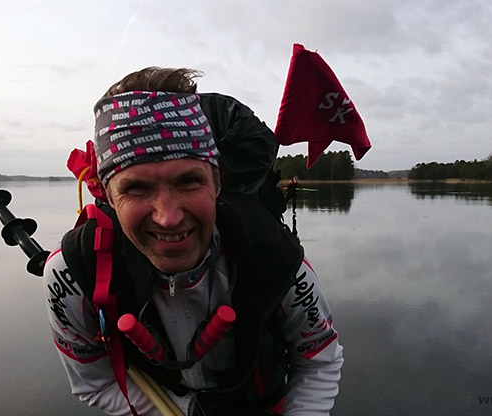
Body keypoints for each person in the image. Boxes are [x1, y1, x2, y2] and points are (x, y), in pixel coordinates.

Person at [43, 67, 343, 415]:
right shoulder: (75, 269)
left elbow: (318, 360)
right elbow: (95, 381)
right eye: (137, 187)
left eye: (188, 181)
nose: (168, 217)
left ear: (216, 182)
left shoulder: (272, 252)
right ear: (108, 196)